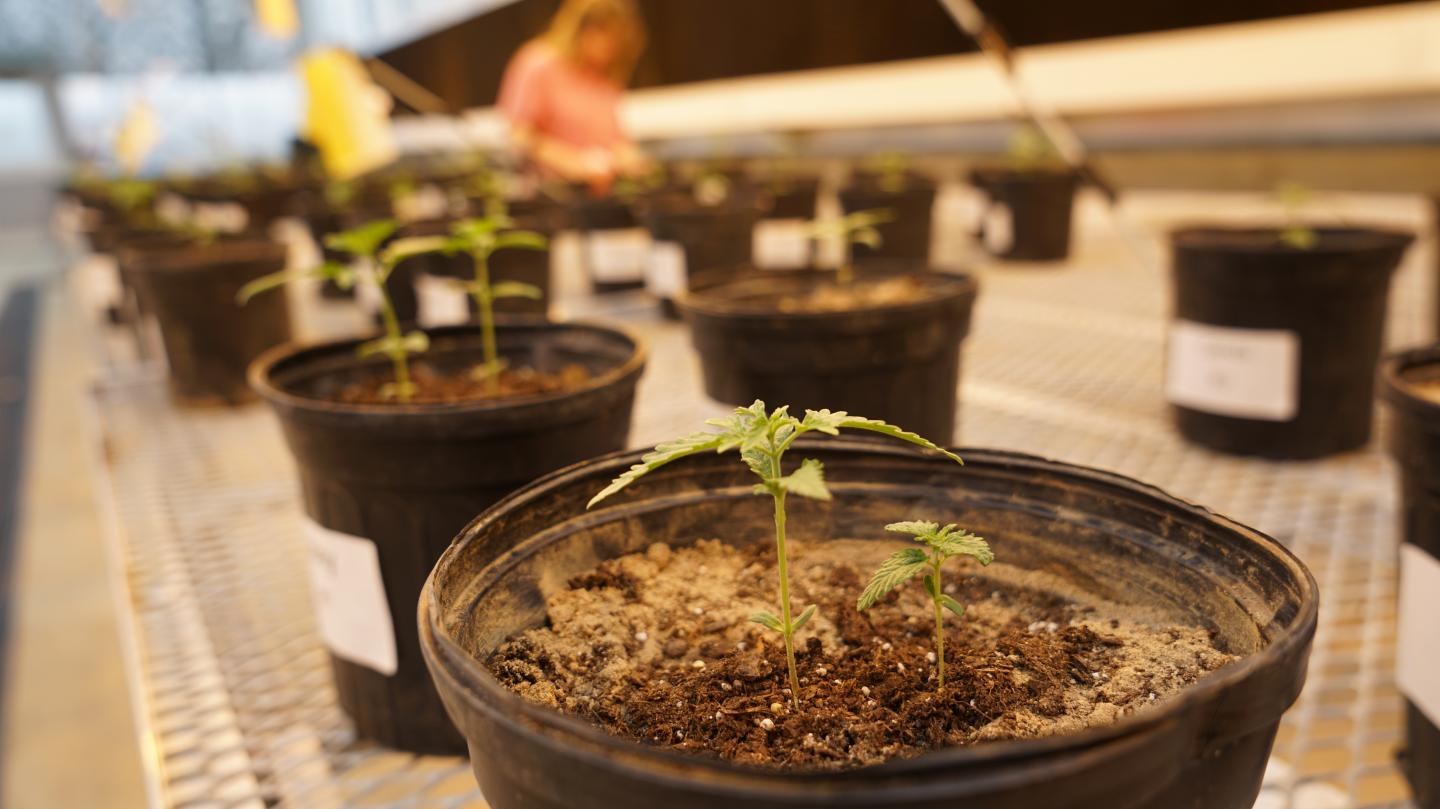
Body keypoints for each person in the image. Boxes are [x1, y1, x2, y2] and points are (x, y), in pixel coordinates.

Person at [497, 0, 650, 192]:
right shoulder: (538, 63)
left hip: (599, 193)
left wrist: (627, 155)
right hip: (549, 193)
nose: (610, 47)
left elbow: (612, 136)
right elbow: (519, 137)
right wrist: (573, 163)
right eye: (605, 34)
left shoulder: (604, 73)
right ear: (581, 28)